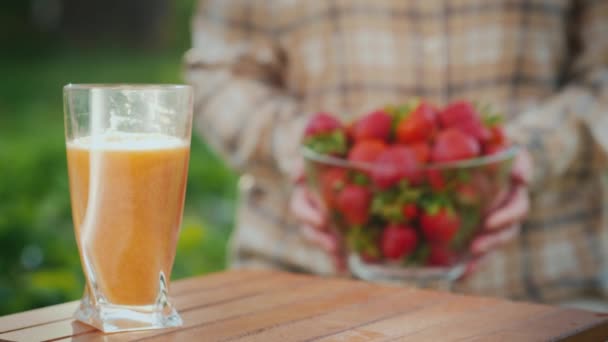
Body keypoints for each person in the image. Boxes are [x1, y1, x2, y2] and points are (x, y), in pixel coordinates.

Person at [185, 0, 608, 304]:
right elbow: (220, 73)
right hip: (299, 285)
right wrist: (311, 160)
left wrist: (527, 155)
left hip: (543, 290)